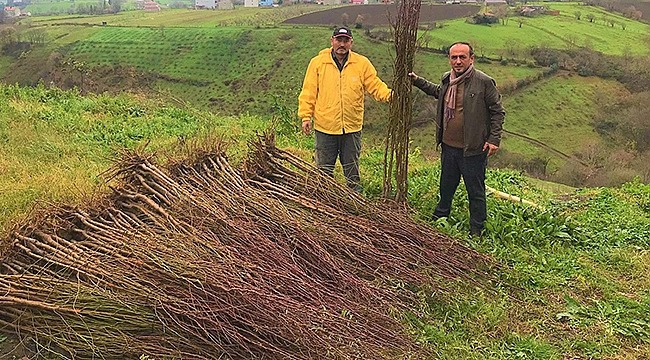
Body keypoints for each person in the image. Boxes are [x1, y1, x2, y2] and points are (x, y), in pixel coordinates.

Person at [408, 42, 505, 237]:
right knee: (446, 185)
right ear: (449, 59)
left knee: (475, 190)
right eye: (454, 57)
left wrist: (494, 139)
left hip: (473, 149)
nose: (458, 61)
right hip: (449, 147)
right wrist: (416, 80)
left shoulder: (484, 82)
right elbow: (438, 92)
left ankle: (477, 228)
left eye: (462, 57)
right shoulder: (447, 79)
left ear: (472, 58)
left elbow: (497, 111)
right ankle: (440, 216)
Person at [298, 26, 392, 192]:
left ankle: (354, 204)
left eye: (346, 40)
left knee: (352, 171)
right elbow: (308, 91)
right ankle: (326, 202)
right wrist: (306, 116)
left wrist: (390, 96)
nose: (342, 44)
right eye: (339, 40)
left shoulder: (361, 63)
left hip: (351, 127)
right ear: (332, 41)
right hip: (325, 127)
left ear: (351, 43)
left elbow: (375, 85)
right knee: (324, 171)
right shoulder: (318, 63)